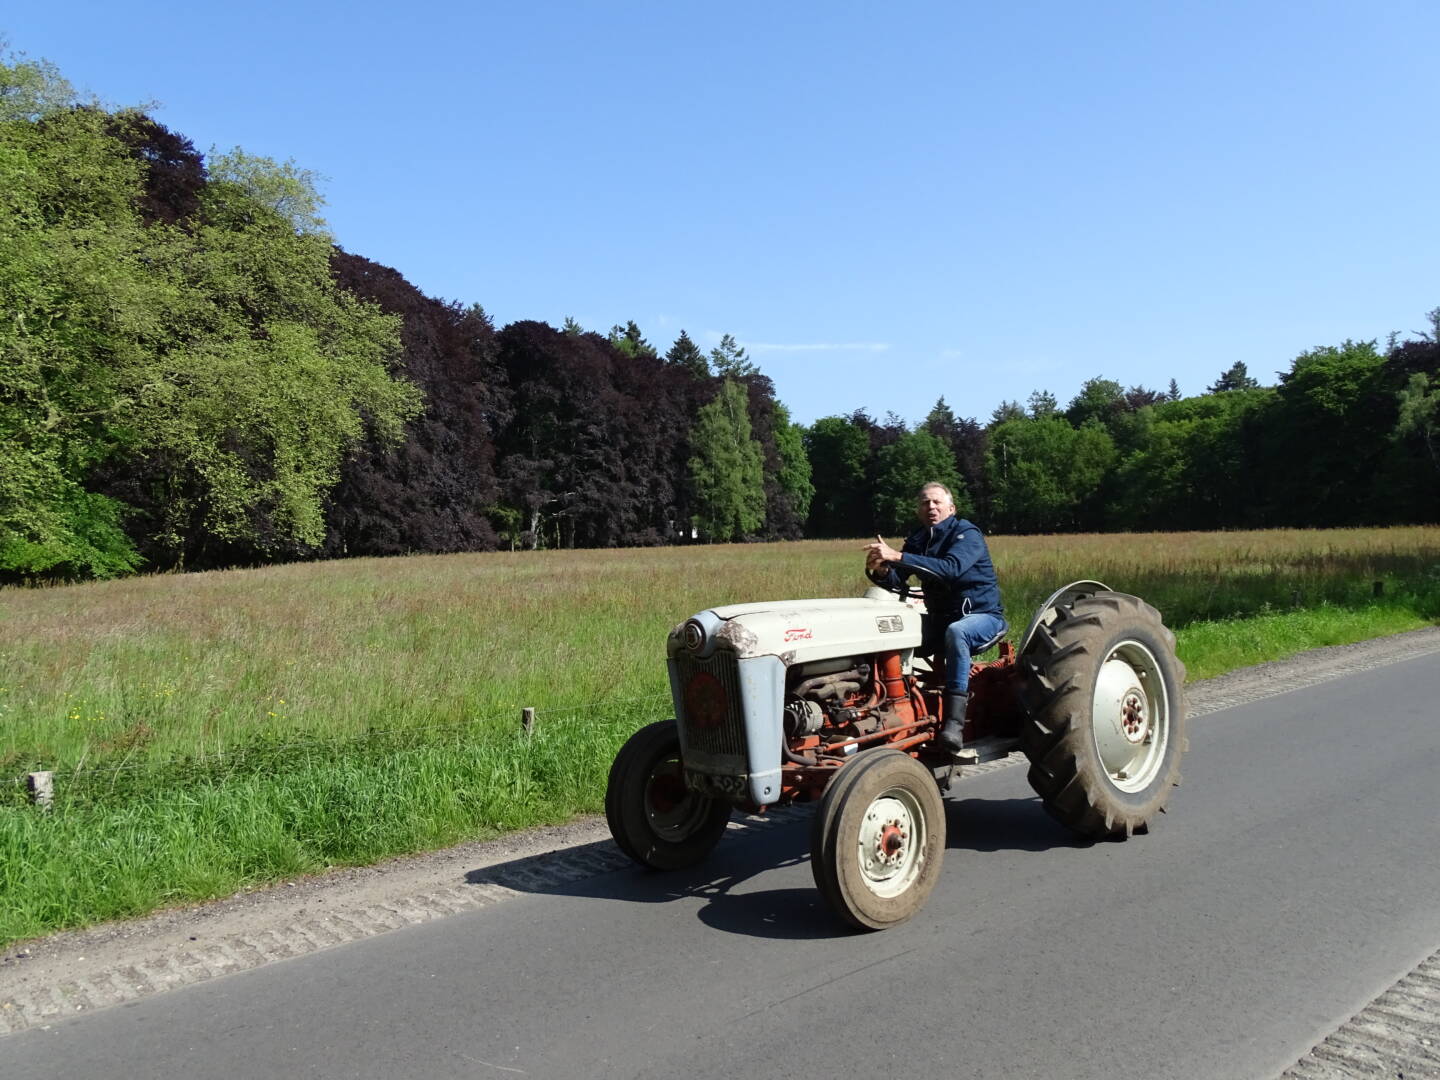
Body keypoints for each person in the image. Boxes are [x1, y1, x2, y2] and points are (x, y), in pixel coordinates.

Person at [864, 482, 1006, 753]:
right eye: (925, 502)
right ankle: (886, 704)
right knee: (888, 631)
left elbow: (951, 569)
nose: (931, 507)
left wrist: (897, 555)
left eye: (937, 502)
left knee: (958, 632)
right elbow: (897, 581)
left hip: (982, 616)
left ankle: (954, 724)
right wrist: (883, 569)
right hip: (940, 620)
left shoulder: (967, 534)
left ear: (951, 509)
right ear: (918, 510)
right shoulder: (918, 539)